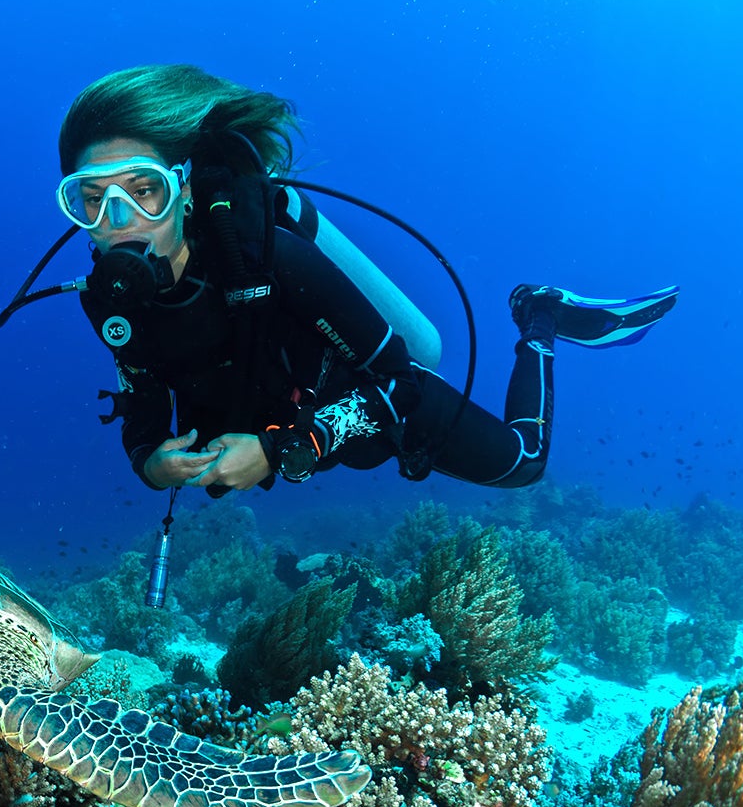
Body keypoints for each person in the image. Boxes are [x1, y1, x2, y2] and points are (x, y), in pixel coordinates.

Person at [43, 64, 678, 496]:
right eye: (90, 200)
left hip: (375, 399)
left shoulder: (270, 259)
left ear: (183, 188)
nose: (118, 223)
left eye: (144, 191)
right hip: (291, 421)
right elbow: (144, 410)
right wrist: (154, 466)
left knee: (525, 467)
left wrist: (286, 450)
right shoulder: (109, 305)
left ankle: (542, 319)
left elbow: (399, 382)